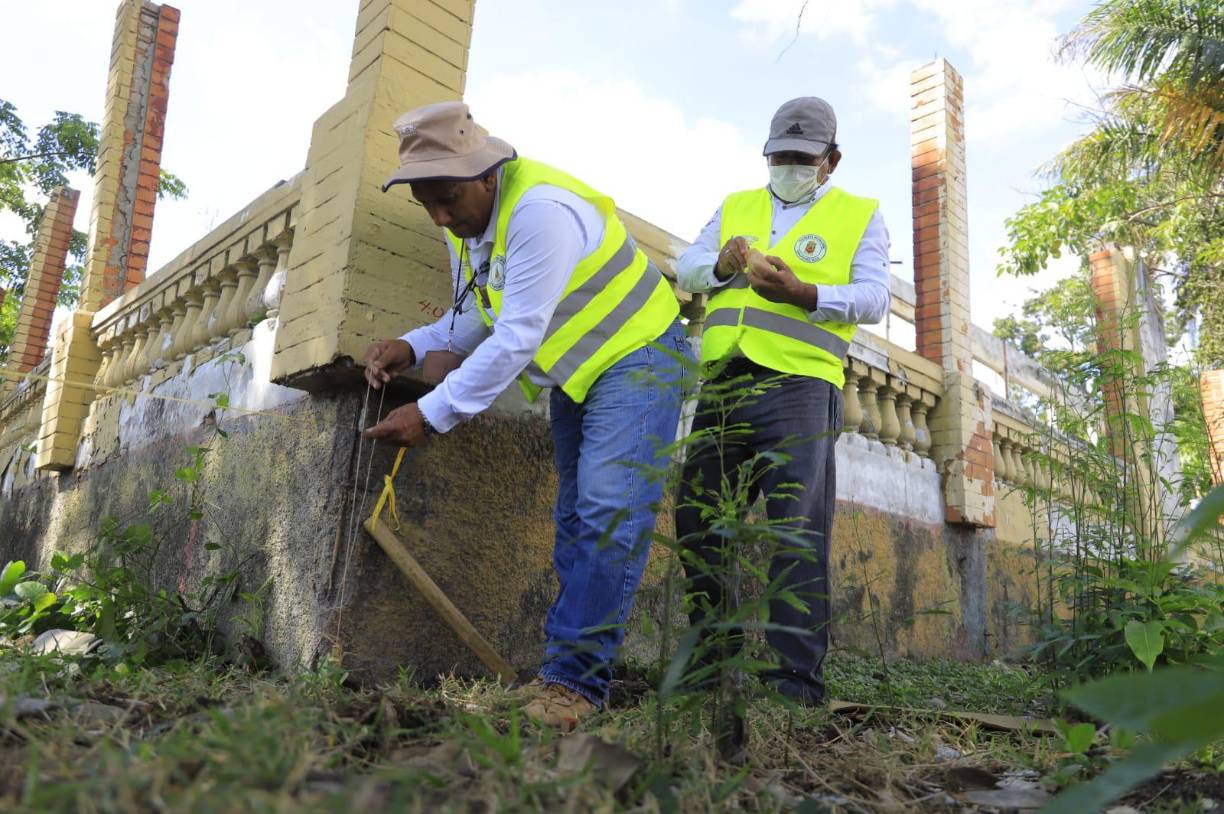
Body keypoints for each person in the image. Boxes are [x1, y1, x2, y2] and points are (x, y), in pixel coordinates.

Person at [361, 101, 692, 729]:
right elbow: (475, 313)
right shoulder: (466, 220)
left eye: (447, 197)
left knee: (606, 514)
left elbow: (513, 337)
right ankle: (561, 675)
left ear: (485, 173)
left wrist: (431, 414)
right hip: (580, 374)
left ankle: (575, 685)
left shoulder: (541, 211)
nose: (439, 215)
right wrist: (413, 343)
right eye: (425, 202)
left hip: (642, 358)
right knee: (575, 517)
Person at [674, 97, 891, 705]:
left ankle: (796, 682)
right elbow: (684, 264)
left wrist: (805, 292)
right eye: (779, 157)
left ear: (831, 161)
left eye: (801, 158)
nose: (788, 166)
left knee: (797, 532)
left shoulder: (860, 213)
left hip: (800, 386)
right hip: (724, 381)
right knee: (699, 521)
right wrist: (717, 267)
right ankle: (710, 668)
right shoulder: (735, 206)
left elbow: (875, 298)